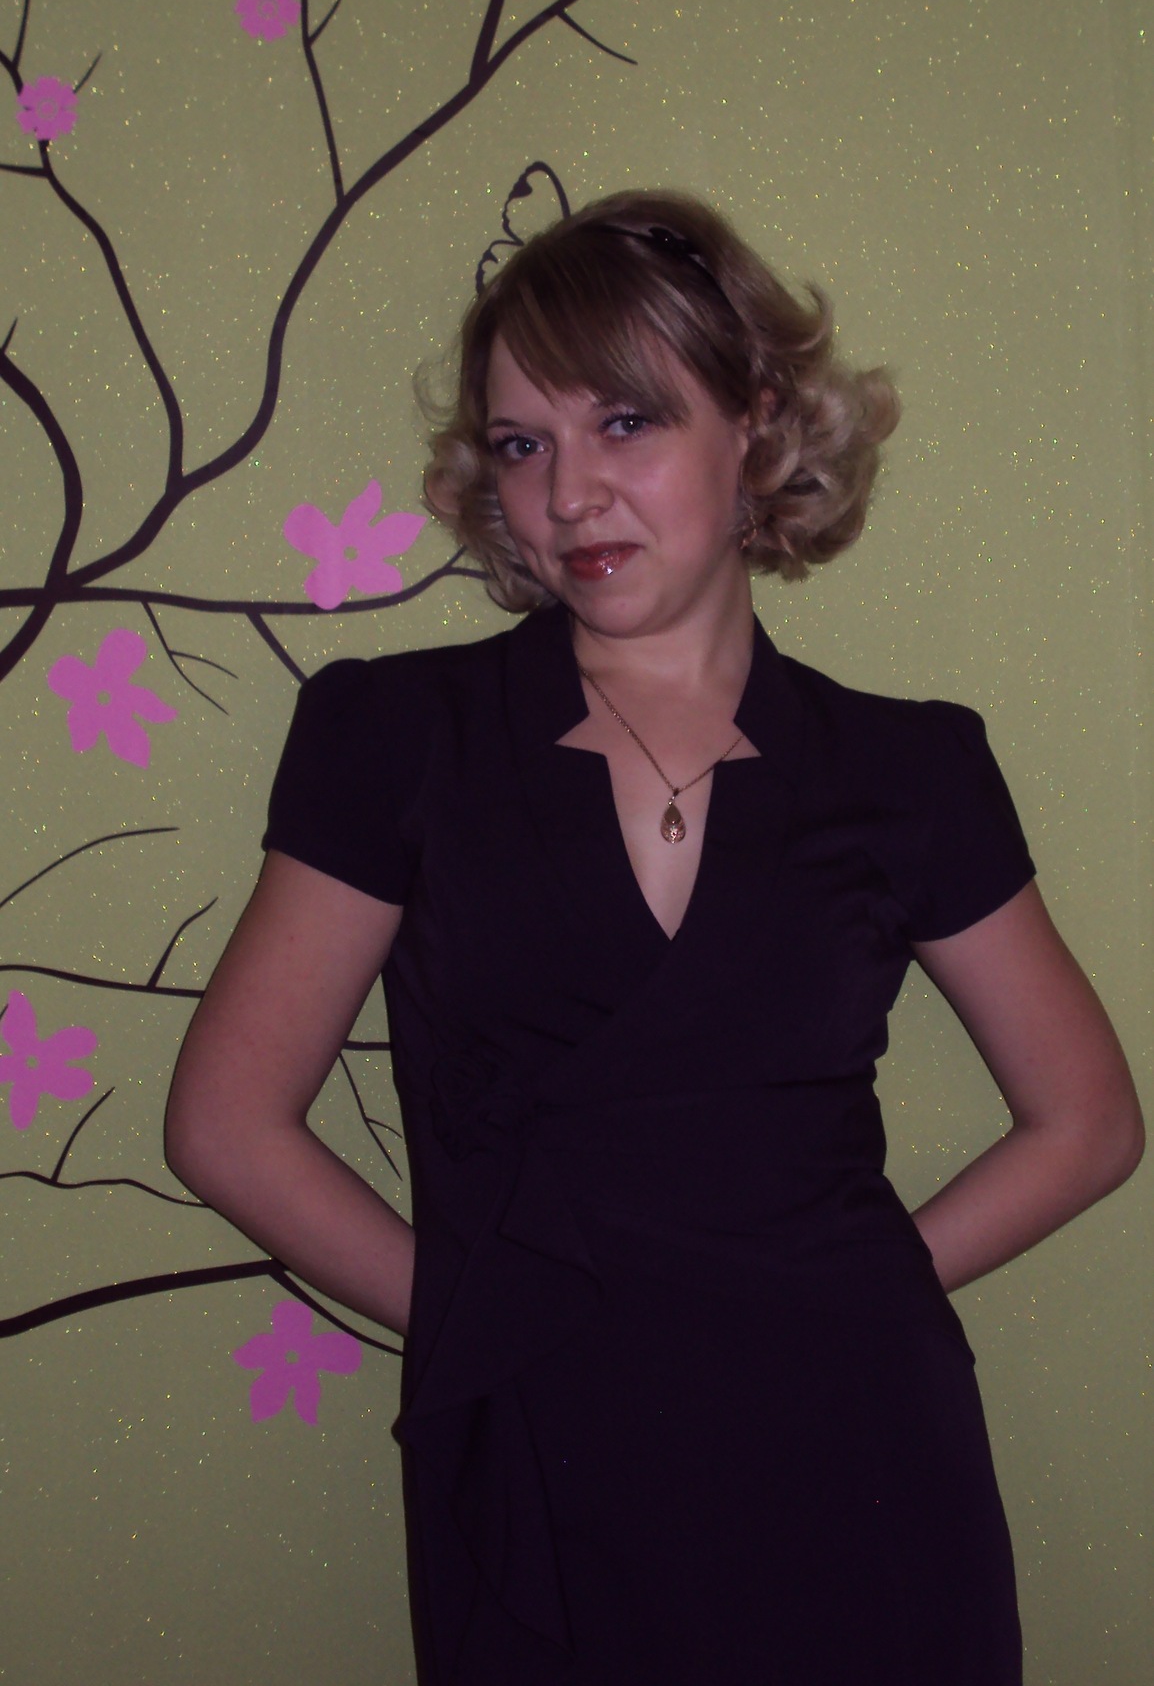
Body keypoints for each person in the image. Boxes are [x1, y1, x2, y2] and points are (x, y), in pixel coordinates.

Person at [165, 190, 1144, 1686]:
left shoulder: (911, 769)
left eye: (624, 422)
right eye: (522, 445)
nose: (570, 493)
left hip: (860, 1462)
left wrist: (838, 1299)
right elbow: (226, 1125)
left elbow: (1088, 1123)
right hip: (541, 1464)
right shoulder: (398, 737)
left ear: (755, 426)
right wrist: (491, 1320)